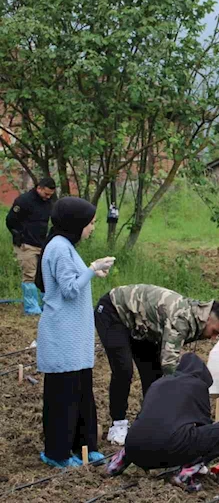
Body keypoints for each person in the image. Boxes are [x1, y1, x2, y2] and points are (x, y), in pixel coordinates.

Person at [93, 284, 219, 445]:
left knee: (153, 374)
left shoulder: (198, 318)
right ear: (208, 318)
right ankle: (117, 425)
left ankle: (149, 422)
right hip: (114, 311)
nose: (214, 338)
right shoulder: (182, 319)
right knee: (123, 369)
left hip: (143, 325)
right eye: (215, 332)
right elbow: (169, 363)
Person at [36, 197, 115, 468]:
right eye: (90, 223)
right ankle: (57, 454)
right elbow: (69, 289)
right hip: (62, 336)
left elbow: (70, 280)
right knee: (63, 398)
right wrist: (91, 271)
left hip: (75, 337)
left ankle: (85, 446)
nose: (92, 228)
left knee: (82, 394)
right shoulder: (58, 248)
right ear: (75, 223)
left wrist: (93, 270)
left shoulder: (65, 246)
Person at [105, 353, 219, 493]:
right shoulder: (197, 386)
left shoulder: (158, 383)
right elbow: (205, 426)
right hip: (167, 450)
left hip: (134, 448)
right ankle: (187, 473)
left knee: (147, 428)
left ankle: (118, 463)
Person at [5, 177, 56, 315]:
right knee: (30, 275)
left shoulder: (48, 202)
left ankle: (47, 305)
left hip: (42, 244)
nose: (48, 197)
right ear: (39, 188)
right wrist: (19, 235)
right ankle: (32, 308)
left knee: (44, 275)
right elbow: (10, 220)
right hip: (26, 244)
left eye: (50, 195)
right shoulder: (23, 201)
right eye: (46, 194)